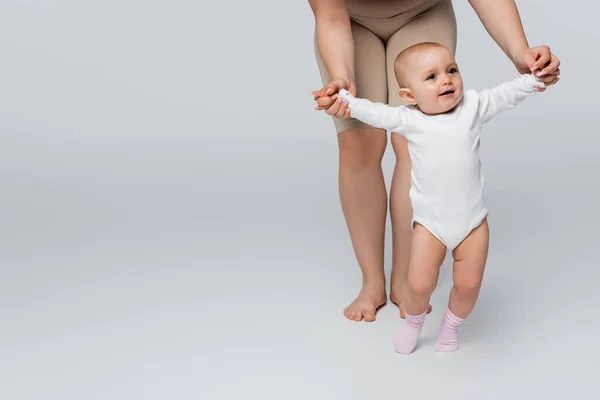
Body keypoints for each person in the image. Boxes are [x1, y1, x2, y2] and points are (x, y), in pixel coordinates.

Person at [308, 0, 560, 322]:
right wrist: (342, 79)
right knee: (359, 142)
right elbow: (330, 17)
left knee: (416, 141)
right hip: (350, 22)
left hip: (422, 11)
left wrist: (520, 50)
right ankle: (372, 281)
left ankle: (406, 278)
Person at [337, 42, 547, 353]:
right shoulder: (410, 119)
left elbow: (506, 94)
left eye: (451, 71)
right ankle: (413, 324)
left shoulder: (473, 107)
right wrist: (344, 103)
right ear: (410, 96)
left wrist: (537, 79)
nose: (446, 80)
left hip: (473, 221)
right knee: (419, 285)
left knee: (469, 285)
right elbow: (375, 112)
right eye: (431, 77)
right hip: (430, 223)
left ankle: (450, 329)